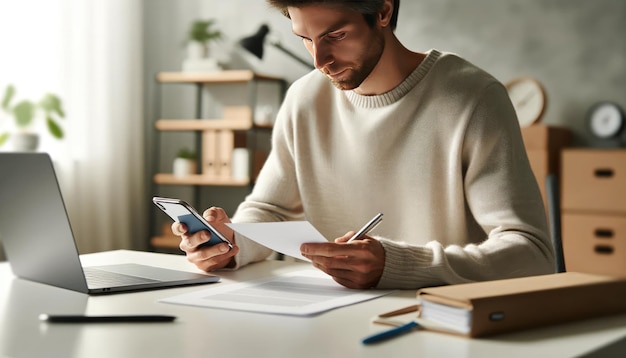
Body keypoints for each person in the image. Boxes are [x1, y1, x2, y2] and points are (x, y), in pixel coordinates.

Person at [172, 0, 555, 289]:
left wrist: (397, 264)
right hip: (328, 315)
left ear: (384, 10)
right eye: (305, 39)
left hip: (439, 319)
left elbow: (532, 254)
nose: (320, 60)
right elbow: (270, 208)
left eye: (335, 36)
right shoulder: (305, 98)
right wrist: (230, 244)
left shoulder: (473, 97)